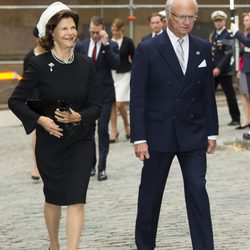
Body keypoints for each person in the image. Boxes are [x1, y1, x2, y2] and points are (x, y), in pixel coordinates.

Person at [8, 2, 101, 250]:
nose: (71, 32)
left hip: (81, 141)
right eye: (64, 28)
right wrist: (40, 119)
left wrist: (77, 117)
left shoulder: (86, 65)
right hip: (51, 143)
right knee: (54, 198)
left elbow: (96, 106)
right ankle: (54, 244)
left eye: (73, 27)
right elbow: (15, 101)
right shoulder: (38, 65)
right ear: (52, 33)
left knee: (77, 199)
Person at [130, 0, 218, 249]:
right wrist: (139, 137)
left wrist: (211, 132)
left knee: (197, 189)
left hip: (193, 133)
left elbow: (207, 94)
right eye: (181, 17)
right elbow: (138, 97)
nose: (187, 22)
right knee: (150, 195)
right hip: (158, 135)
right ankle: (145, 245)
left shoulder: (202, 47)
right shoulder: (148, 49)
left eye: (192, 16)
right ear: (168, 16)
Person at [75, 16, 120, 181]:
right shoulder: (81, 46)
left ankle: (102, 167)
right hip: (87, 98)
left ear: (102, 29)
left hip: (105, 96)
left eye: (97, 32)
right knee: (88, 131)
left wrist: (106, 44)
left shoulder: (111, 45)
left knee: (102, 130)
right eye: (92, 32)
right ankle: (91, 164)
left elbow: (116, 64)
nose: (94, 35)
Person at [23, 26, 47, 181]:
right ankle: (37, 167)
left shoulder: (52, 55)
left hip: (50, 97)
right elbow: (25, 82)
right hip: (35, 99)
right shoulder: (29, 57)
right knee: (38, 131)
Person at [209, 10, 241, 126]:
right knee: (208, 96)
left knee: (230, 95)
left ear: (224, 21)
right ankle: (209, 119)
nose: (218, 23)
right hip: (212, 71)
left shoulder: (228, 34)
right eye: (216, 21)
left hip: (224, 71)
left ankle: (236, 118)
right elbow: (211, 53)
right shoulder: (212, 35)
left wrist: (219, 68)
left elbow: (228, 54)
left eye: (220, 21)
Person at [109, 18, 135, 143]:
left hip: (125, 74)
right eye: (112, 30)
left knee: (119, 104)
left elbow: (134, 58)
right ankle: (113, 131)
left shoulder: (128, 41)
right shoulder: (108, 42)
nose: (114, 32)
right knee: (112, 104)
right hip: (111, 74)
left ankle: (126, 124)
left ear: (121, 29)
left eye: (116, 30)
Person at [231, 13, 250, 140]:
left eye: (247, 20)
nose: (245, 22)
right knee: (245, 96)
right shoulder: (246, 33)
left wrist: (237, 33)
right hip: (247, 69)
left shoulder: (245, 35)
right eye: (244, 20)